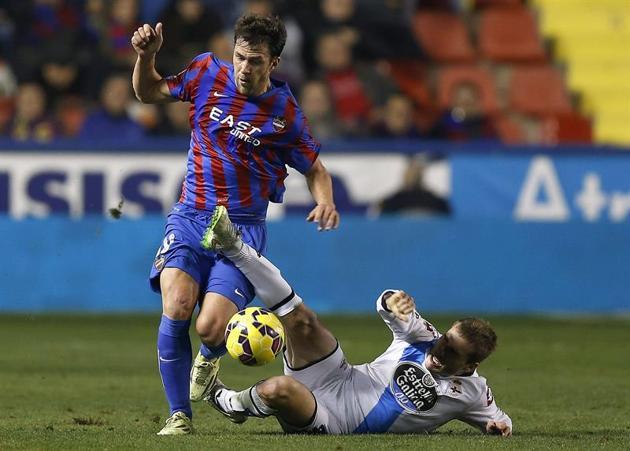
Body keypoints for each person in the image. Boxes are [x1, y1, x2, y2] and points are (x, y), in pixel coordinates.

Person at [130, 14, 339, 435]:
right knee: (177, 307)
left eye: (256, 61)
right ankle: (179, 417)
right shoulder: (206, 71)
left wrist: (326, 202)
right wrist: (147, 57)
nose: (245, 68)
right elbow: (148, 92)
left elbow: (315, 170)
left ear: (274, 63)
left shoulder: (285, 114)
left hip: (241, 231)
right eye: (240, 57)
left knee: (210, 327)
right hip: (191, 216)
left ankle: (209, 355)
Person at [200, 205, 512, 436]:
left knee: (280, 389)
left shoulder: (472, 393)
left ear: (470, 366)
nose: (441, 350)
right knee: (302, 320)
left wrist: (498, 426)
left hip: (332, 420)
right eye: (446, 340)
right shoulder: (423, 336)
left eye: (453, 352)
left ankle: (231, 401)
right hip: (339, 376)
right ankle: (232, 245)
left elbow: (499, 420)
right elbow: (387, 306)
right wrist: (393, 300)